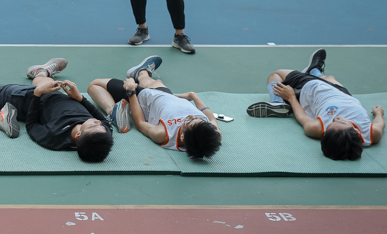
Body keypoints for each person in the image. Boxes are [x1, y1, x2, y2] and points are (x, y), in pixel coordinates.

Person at [0, 58, 113, 163]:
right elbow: (102, 120)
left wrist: (37, 94)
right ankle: (42, 71)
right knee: (41, 80)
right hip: (60, 95)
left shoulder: (54, 138)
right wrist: (79, 98)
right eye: (101, 126)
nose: (98, 122)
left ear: (78, 135)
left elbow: (31, 125)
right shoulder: (101, 135)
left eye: (94, 125)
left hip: (27, 99)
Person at [247, 49, 383, 160]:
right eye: (341, 122)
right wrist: (379, 114)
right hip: (344, 94)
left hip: (313, 90)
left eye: (330, 124)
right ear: (358, 132)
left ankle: (277, 101)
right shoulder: (372, 134)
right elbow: (379, 124)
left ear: (324, 135)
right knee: (330, 78)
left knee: (276, 74)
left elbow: (302, 117)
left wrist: (291, 97)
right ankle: (314, 71)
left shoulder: (316, 129)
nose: (336, 118)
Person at [88, 56, 221, 159]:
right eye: (198, 118)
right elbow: (210, 117)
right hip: (166, 96)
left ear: (182, 138)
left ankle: (112, 111)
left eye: (190, 121)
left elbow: (140, 124)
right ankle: (141, 72)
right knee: (154, 81)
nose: (192, 116)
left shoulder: (163, 134)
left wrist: (131, 91)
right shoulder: (211, 133)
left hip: (144, 99)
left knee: (94, 85)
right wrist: (194, 96)